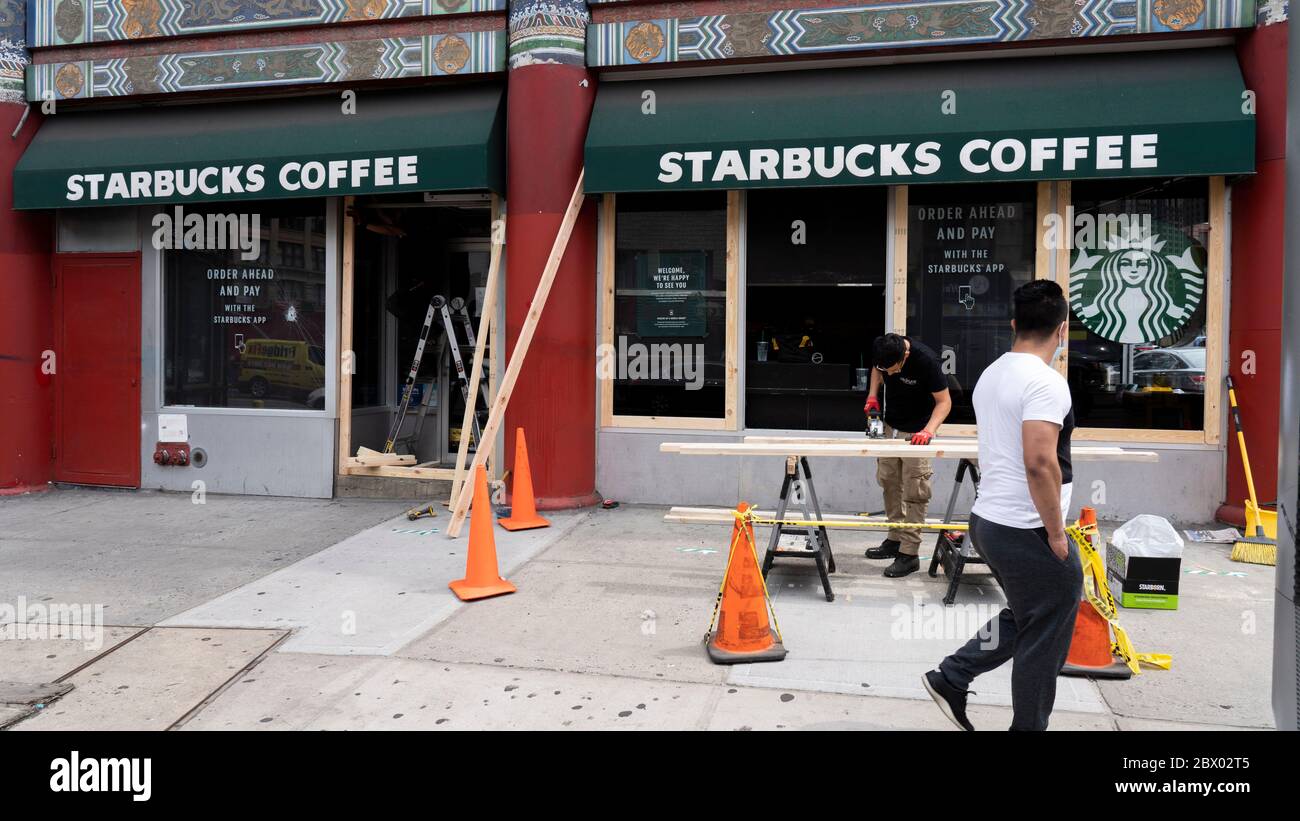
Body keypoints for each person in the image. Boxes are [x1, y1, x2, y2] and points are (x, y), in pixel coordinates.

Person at [922, 280, 1082, 732]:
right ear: (1062, 330)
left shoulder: (993, 373)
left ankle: (952, 675)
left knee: (1030, 611)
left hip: (989, 521)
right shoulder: (1046, 383)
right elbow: (1039, 462)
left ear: (1014, 324)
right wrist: (1054, 533)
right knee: (1048, 628)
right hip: (1026, 528)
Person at [863, 333, 952, 578]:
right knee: (889, 482)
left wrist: (928, 431)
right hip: (891, 427)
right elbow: (877, 369)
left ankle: (910, 553)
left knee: (916, 491)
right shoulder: (885, 352)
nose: (889, 375)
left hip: (917, 431)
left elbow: (944, 402)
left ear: (906, 356)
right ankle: (895, 538)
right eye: (886, 370)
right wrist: (872, 395)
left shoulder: (927, 362)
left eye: (894, 369)